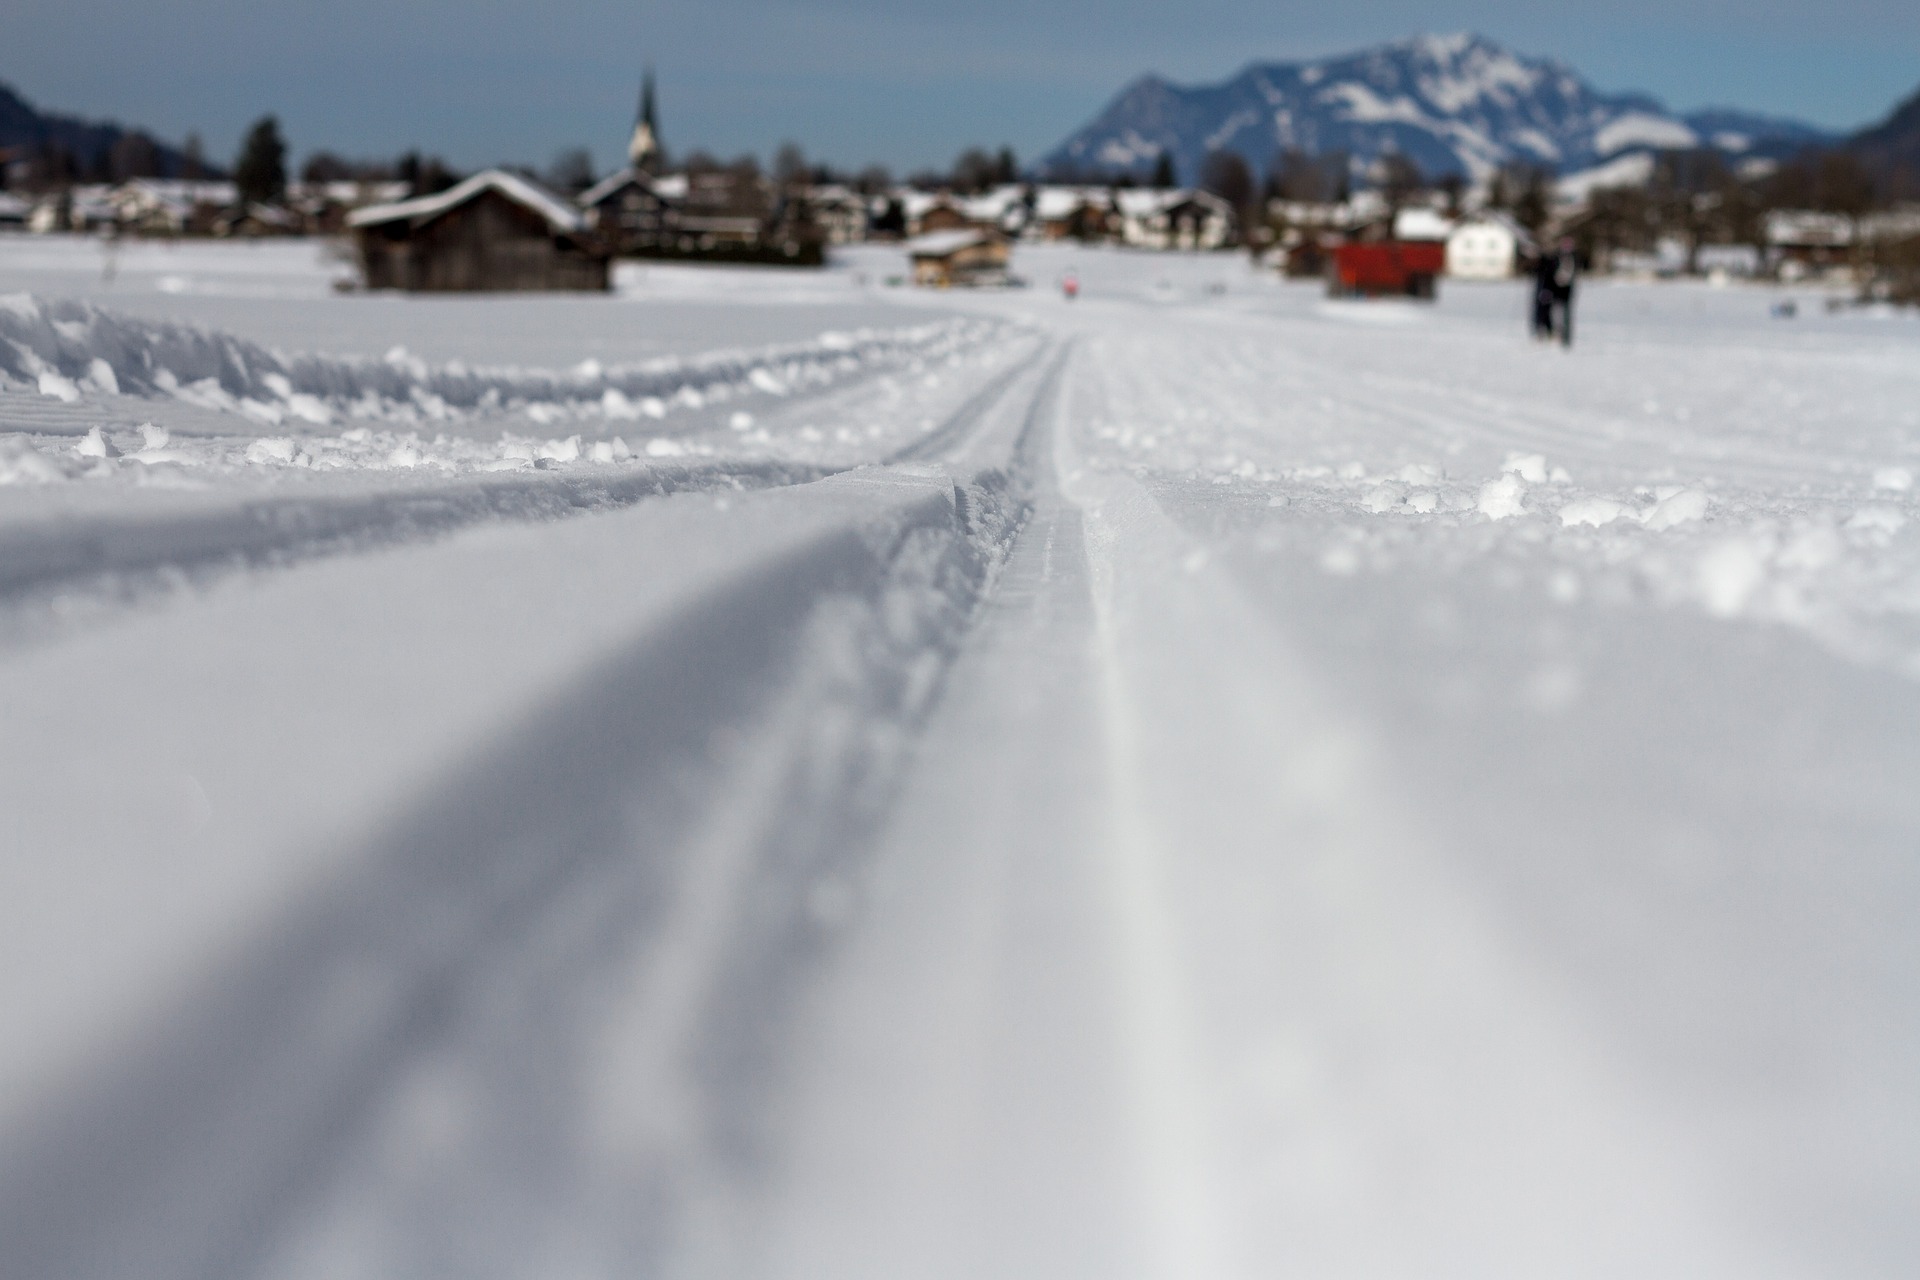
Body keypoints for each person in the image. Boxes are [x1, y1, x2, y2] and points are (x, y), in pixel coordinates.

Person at [1550, 236, 1578, 347]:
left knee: (1566, 314)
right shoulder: (1556, 257)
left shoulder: (1574, 258)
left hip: (1567, 290)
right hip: (1556, 289)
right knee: (1556, 313)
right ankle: (1557, 334)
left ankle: (1566, 336)